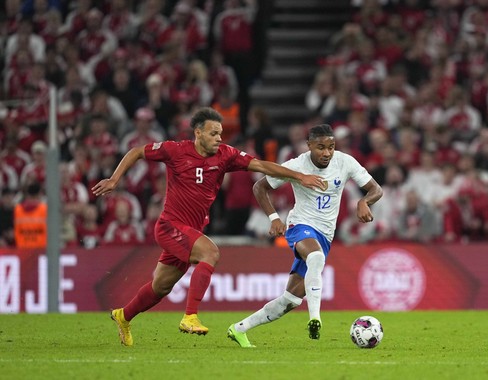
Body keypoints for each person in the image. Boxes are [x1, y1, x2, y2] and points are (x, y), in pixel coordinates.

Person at [91, 107, 325, 346]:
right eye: (213, 133)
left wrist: (299, 176)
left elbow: (263, 166)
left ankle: (123, 316)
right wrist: (114, 179)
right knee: (210, 252)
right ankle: (190, 316)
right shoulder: (175, 150)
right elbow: (137, 151)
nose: (219, 138)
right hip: (170, 226)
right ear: (198, 133)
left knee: (160, 287)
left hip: (190, 232)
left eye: (220, 133)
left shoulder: (225, 155)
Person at [227, 124, 383, 347]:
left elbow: (376, 189)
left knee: (290, 300)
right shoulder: (296, 165)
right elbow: (259, 187)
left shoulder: (345, 162)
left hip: (325, 235)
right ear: (309, 145)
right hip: (300, 226)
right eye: (320, 147)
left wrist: (364, 201)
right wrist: (274, 219)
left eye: (330, 147)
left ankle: (239, 329)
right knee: (316, 258)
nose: (326, 152)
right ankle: (315, 319)